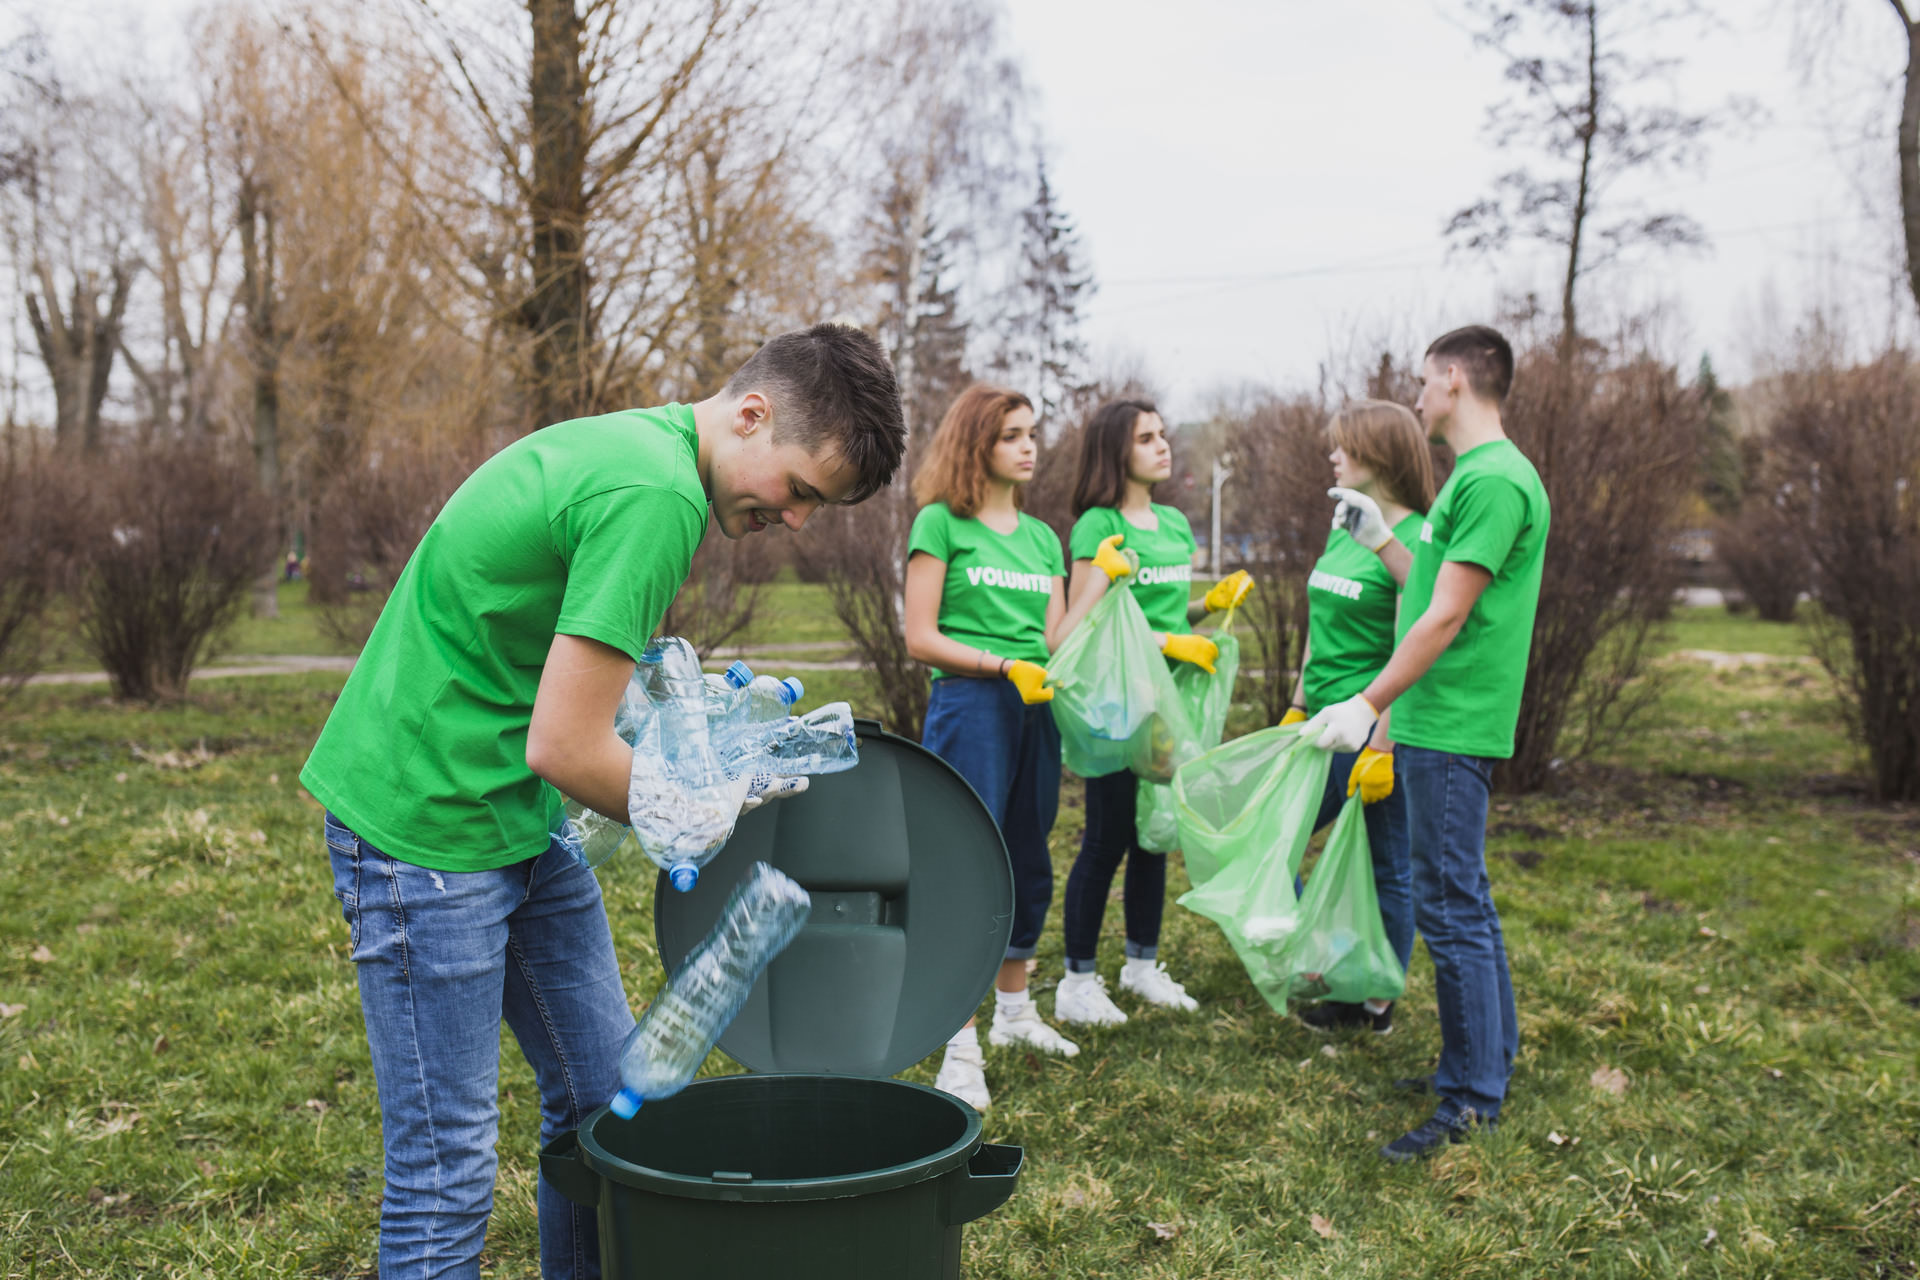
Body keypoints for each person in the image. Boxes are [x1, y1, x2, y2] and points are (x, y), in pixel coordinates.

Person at [299, 324, 905, 1279]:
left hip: (514, 813)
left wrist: (690, 732)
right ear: (753, 415)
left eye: (816, 508)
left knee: (605, 1106)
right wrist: (693, 810)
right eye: (801, 489)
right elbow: (564, 745)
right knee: (446, 1173)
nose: (797, 521)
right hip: (427, 828)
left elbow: (556, 680)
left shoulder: (650, 457)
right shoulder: (656, 494)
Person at [1301, 325, 1549, 1162]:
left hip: (1451, 718)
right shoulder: (1474, 478)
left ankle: (1472, 1099)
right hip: (1435, 717)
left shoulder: (1495, 480)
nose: (1415, 397)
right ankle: (1484, 1062)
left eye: (1421, 381)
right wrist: (1382, 539)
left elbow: (1446, 616)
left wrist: (1369, 702)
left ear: (1452, 378)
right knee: (1462, 896)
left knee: (1449, 907)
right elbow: (1424, 589)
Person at [902, 384, 1103, 1111]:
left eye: (1031, 434)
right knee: (965, 862)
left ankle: (1014, 1011)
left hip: (1034, 703)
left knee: (1027, 854)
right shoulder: (940, 523)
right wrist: (998, 665)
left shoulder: (1043, 538)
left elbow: (1055, 639)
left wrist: (1100, 583)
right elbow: (919, 635)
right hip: (972, 703)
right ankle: (958, 1043)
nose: (1028, 447)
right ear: (975, 443)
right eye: (1011, 435)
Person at [1053, 398, 1251, 1027]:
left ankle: (1141, 966)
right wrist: (1170, 642)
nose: (1162, 445)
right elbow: (1089, 625)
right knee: (1106, 836)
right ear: (1115, 450)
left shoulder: (1173, 524)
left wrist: (1205, 610)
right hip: (1116, 704)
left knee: (1153, 837)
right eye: (1146, 438)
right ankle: (1077, 982)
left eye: (1163, 434)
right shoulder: (1098, 525)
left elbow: (1161, 612)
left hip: (1167, 704)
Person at [1281, 400, 1435, 1035]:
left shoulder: (1414, 539)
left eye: (1344, 446)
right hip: (1322, 724)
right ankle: (1326, 966)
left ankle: (1373, 1002)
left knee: (1385, 865)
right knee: (1280, 843)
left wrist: (1383, 746)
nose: (1333, 456)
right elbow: (1318, 628)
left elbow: (1411, 648)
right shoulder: (1347, 525)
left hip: (1370, 729)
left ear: (1379, 455)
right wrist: (1296, 705)